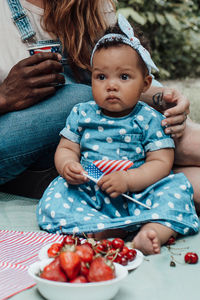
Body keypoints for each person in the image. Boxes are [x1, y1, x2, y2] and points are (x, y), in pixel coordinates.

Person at [0, 1, 199, 208]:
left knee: (187, 169)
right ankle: (169, 152)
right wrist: (3, 97)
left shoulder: (90, 5)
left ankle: (154, 172)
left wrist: (166, 98)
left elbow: (121, 69)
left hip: (80, 150)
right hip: (18, 146)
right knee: (80, 99)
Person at [36, 15, 199, 255]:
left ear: (145, 84)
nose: (111, 86)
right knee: (55, 199)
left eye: (124, 77)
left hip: (138, 187)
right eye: (101, 77)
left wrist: (129, 180)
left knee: (174, 195)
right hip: (92, 184)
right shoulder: (82, 113)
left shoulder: (149, 118)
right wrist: (67, 165)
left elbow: (162, 162)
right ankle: (100, 228)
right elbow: (67, 148)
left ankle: (152, 231)